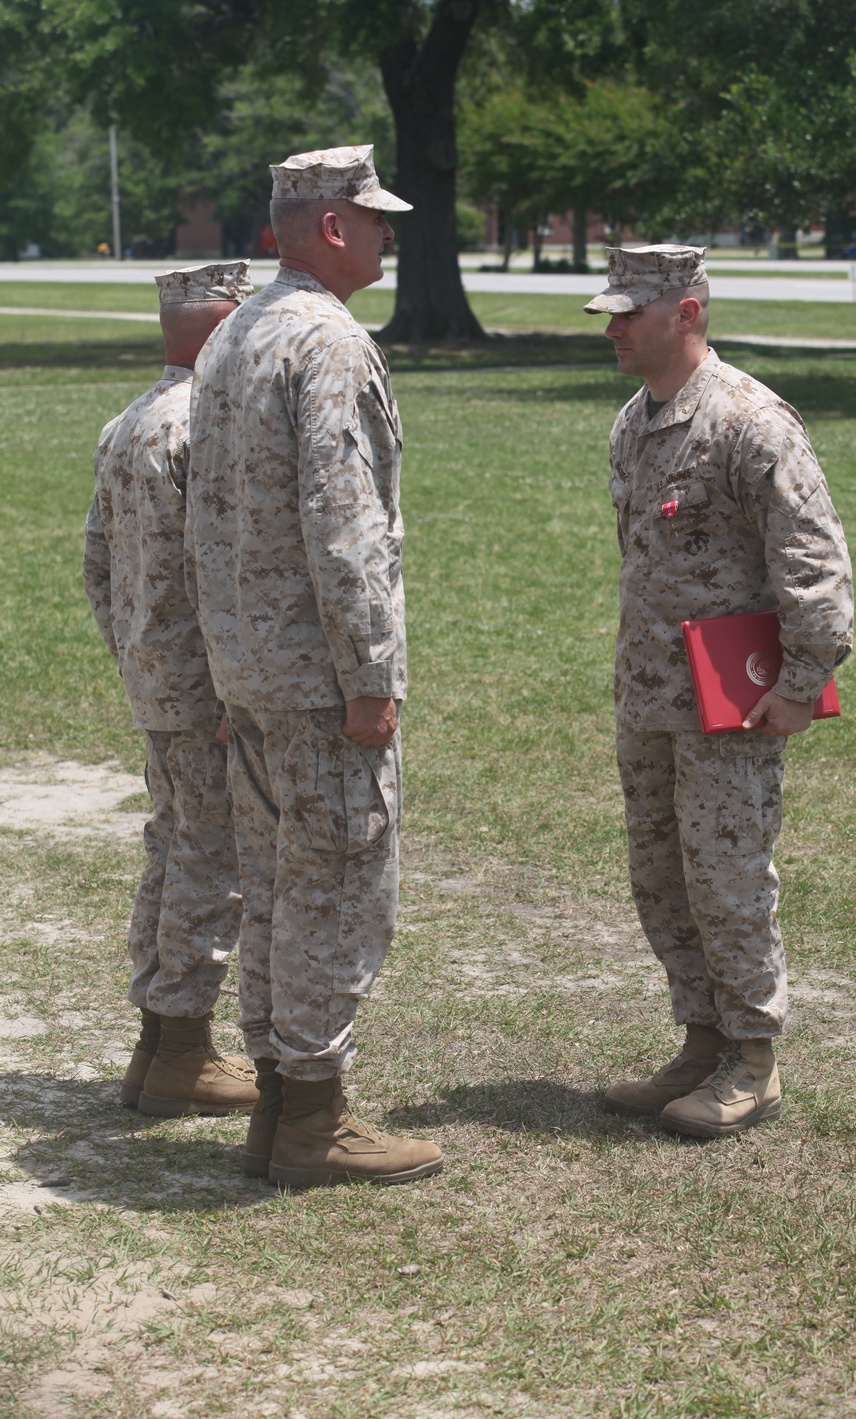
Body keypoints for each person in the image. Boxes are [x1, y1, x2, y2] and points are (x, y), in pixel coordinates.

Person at [185, 146, 443, 1187]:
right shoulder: (326, 342)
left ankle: (281, 1107)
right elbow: (345, 528)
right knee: (334, 889)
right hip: (315, 681)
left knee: (275, 891)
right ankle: (315, 1120)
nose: (388, 233)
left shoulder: (232, 335)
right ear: (332, 226)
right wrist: (372, 675)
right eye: (375, 218)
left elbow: (199, 516)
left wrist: (218, 667)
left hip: (249, 675)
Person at [585, 245, 853, 1138]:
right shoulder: (634, 420)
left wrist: (801, 681)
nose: (614, 327)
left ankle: (753, 1059)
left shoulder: (749, 421)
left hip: (733, 703)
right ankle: (700, 1040)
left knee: (728, 875)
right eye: (611, 312)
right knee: (662, 876)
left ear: (688, 311)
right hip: (652, 694)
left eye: (631, 311)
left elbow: (814, 563)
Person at [83, 261, 259, 1119]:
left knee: (171, 842)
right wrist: (232, 684)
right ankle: (183, 1045)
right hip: (208, 689)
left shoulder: (126, 424)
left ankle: (157, 1041)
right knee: (208, 856)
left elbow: (96, 566)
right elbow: (218, 568)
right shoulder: (206, 425)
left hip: (155, 678)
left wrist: (134, 651)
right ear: (225, 325)